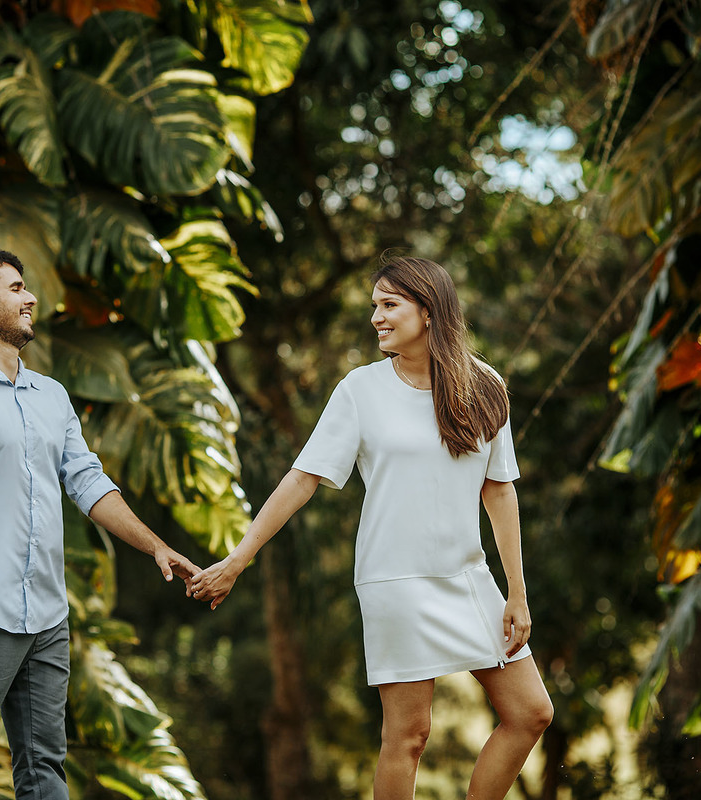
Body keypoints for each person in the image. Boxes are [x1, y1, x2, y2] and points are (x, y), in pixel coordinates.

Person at [188, 252, 554, 800]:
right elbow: (302, 479)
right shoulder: (359, 390)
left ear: (428, 311)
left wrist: (517, 593)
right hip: (395, 581)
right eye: (374, 306)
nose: (376, 317)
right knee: (409, 736)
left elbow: (498, 490)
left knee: (531, 713)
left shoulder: (485, 386)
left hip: (469, 578)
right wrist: (239, 558)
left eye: (389, 304)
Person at [0, 250, 199, 800]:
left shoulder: (51, 396)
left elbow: (88, 484)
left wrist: (155, 546)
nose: (31, 298)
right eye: (16, 288)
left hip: (49, 618)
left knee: (44, 768)